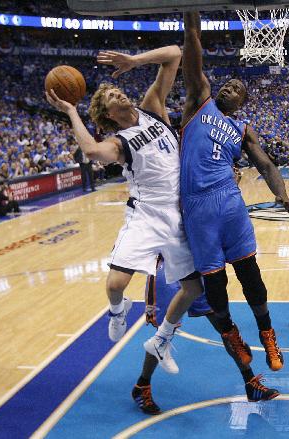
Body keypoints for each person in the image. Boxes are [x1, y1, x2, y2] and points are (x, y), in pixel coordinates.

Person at [46, 45, 203, 373]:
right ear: (107, 115)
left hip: (177, 214)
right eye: (111, 96)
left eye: (119, 89)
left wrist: (134, 61)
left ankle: (161, 341)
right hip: (145, 214)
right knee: (116, 285)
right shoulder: (119, 141)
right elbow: (90, 150)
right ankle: (118, 311)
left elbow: (176, 53)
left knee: (193, 288)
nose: (119, 94)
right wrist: (71, 110)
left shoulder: (152, 107)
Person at [179, 12, 289, 374]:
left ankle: (267, 334)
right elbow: (193, 46)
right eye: (226, 85)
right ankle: (231, 334)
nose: (229, 89)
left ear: (243, 102)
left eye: (237, 90)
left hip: (230, 202)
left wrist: (282, 194)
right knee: (215, 282)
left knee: (251, 275)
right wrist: (192, 12)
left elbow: (266, 166)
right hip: (197, 206)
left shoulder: (242, 129)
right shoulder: (200, 102)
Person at [133, 255, 279, 415]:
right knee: (162, 338)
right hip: (167, 268)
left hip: (195, 268)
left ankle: (250, 383)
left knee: (225, 327)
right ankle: (142, 385)